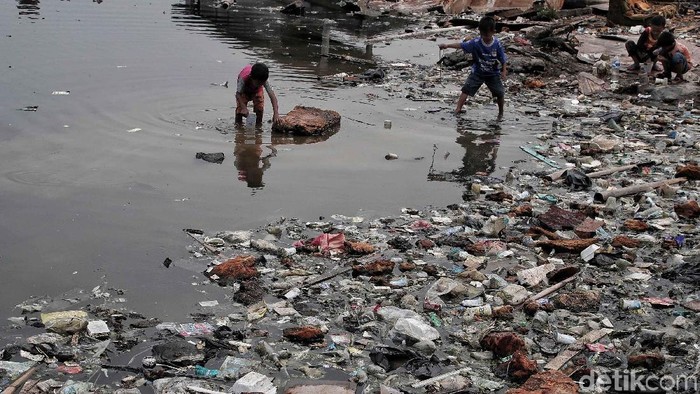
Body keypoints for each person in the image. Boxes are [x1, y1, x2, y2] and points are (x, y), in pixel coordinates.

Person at [438, 16, 507, 121]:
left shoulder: (497, 44)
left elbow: (503, 59)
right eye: (482, 35)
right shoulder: (475, 43)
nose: (485, 37)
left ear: (494, 32)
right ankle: (457, 109)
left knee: (500, 93)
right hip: (478, 72)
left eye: (487, 35)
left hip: (492, 74)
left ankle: (501, 113)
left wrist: (504, 71)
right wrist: (447, 45)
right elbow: (461, 45)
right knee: (466, 90)